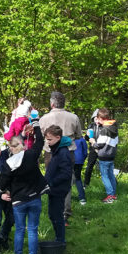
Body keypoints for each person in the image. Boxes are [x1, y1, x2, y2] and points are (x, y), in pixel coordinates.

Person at [0, 119, 47, 254]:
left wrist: (3, 191)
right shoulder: (31, 156)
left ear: (11, 148)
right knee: (32, 229)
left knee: (19, 229)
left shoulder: (9, 163)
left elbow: (3, 183)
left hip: (18, 200)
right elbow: (39, 143)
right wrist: (36, 126)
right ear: (22, 145)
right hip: (34, 197)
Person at [39, 91, 82, 226]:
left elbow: (40, 136)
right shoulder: (73, 117)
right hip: (68, 152)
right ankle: (64, 213)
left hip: (50, 153)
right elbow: (79, 135)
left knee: (51, 178)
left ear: (52, 103)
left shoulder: (44, 118)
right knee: (67, 179)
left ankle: (54, 209)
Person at [44, 125, 73, 244]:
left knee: (56, 216)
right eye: (46, 139)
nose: (47, 142)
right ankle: (59, 239)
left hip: (58, 189)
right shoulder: (56, 149)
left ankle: (60, 241)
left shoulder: (63, 153)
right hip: (53, 188)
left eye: (49, 139)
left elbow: (66, 174)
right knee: (52, 214)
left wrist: (51, 183)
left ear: (58, 137)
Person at [89, 108, 119, 203]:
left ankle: (110, 195)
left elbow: (99, 144)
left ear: (100, 118)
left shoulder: (104, 129)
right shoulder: (114, 126)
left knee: (105, 176)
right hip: (112, 154)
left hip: (104, 155)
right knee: (111, 175)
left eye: (97, 119)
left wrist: (93, 142)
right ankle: (113, 194)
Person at [83, 109, 101, 187]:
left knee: (105, 167)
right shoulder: (91, 126)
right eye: (95, 118)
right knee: (89, 166)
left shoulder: (104, 126)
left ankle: (113, 183)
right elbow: (87, 138)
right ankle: (86, 184)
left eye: (98, 118)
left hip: (102, 148)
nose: (96, 120)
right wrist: (87, 135)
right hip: (93, 149)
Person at [73, 135, 88, 205]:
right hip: (79, 161)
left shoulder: (68, 139)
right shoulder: (82, 140)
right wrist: (82, 159)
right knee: (78, 178)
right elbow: (85, 152)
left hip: (69, 160)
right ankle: (82, 198)